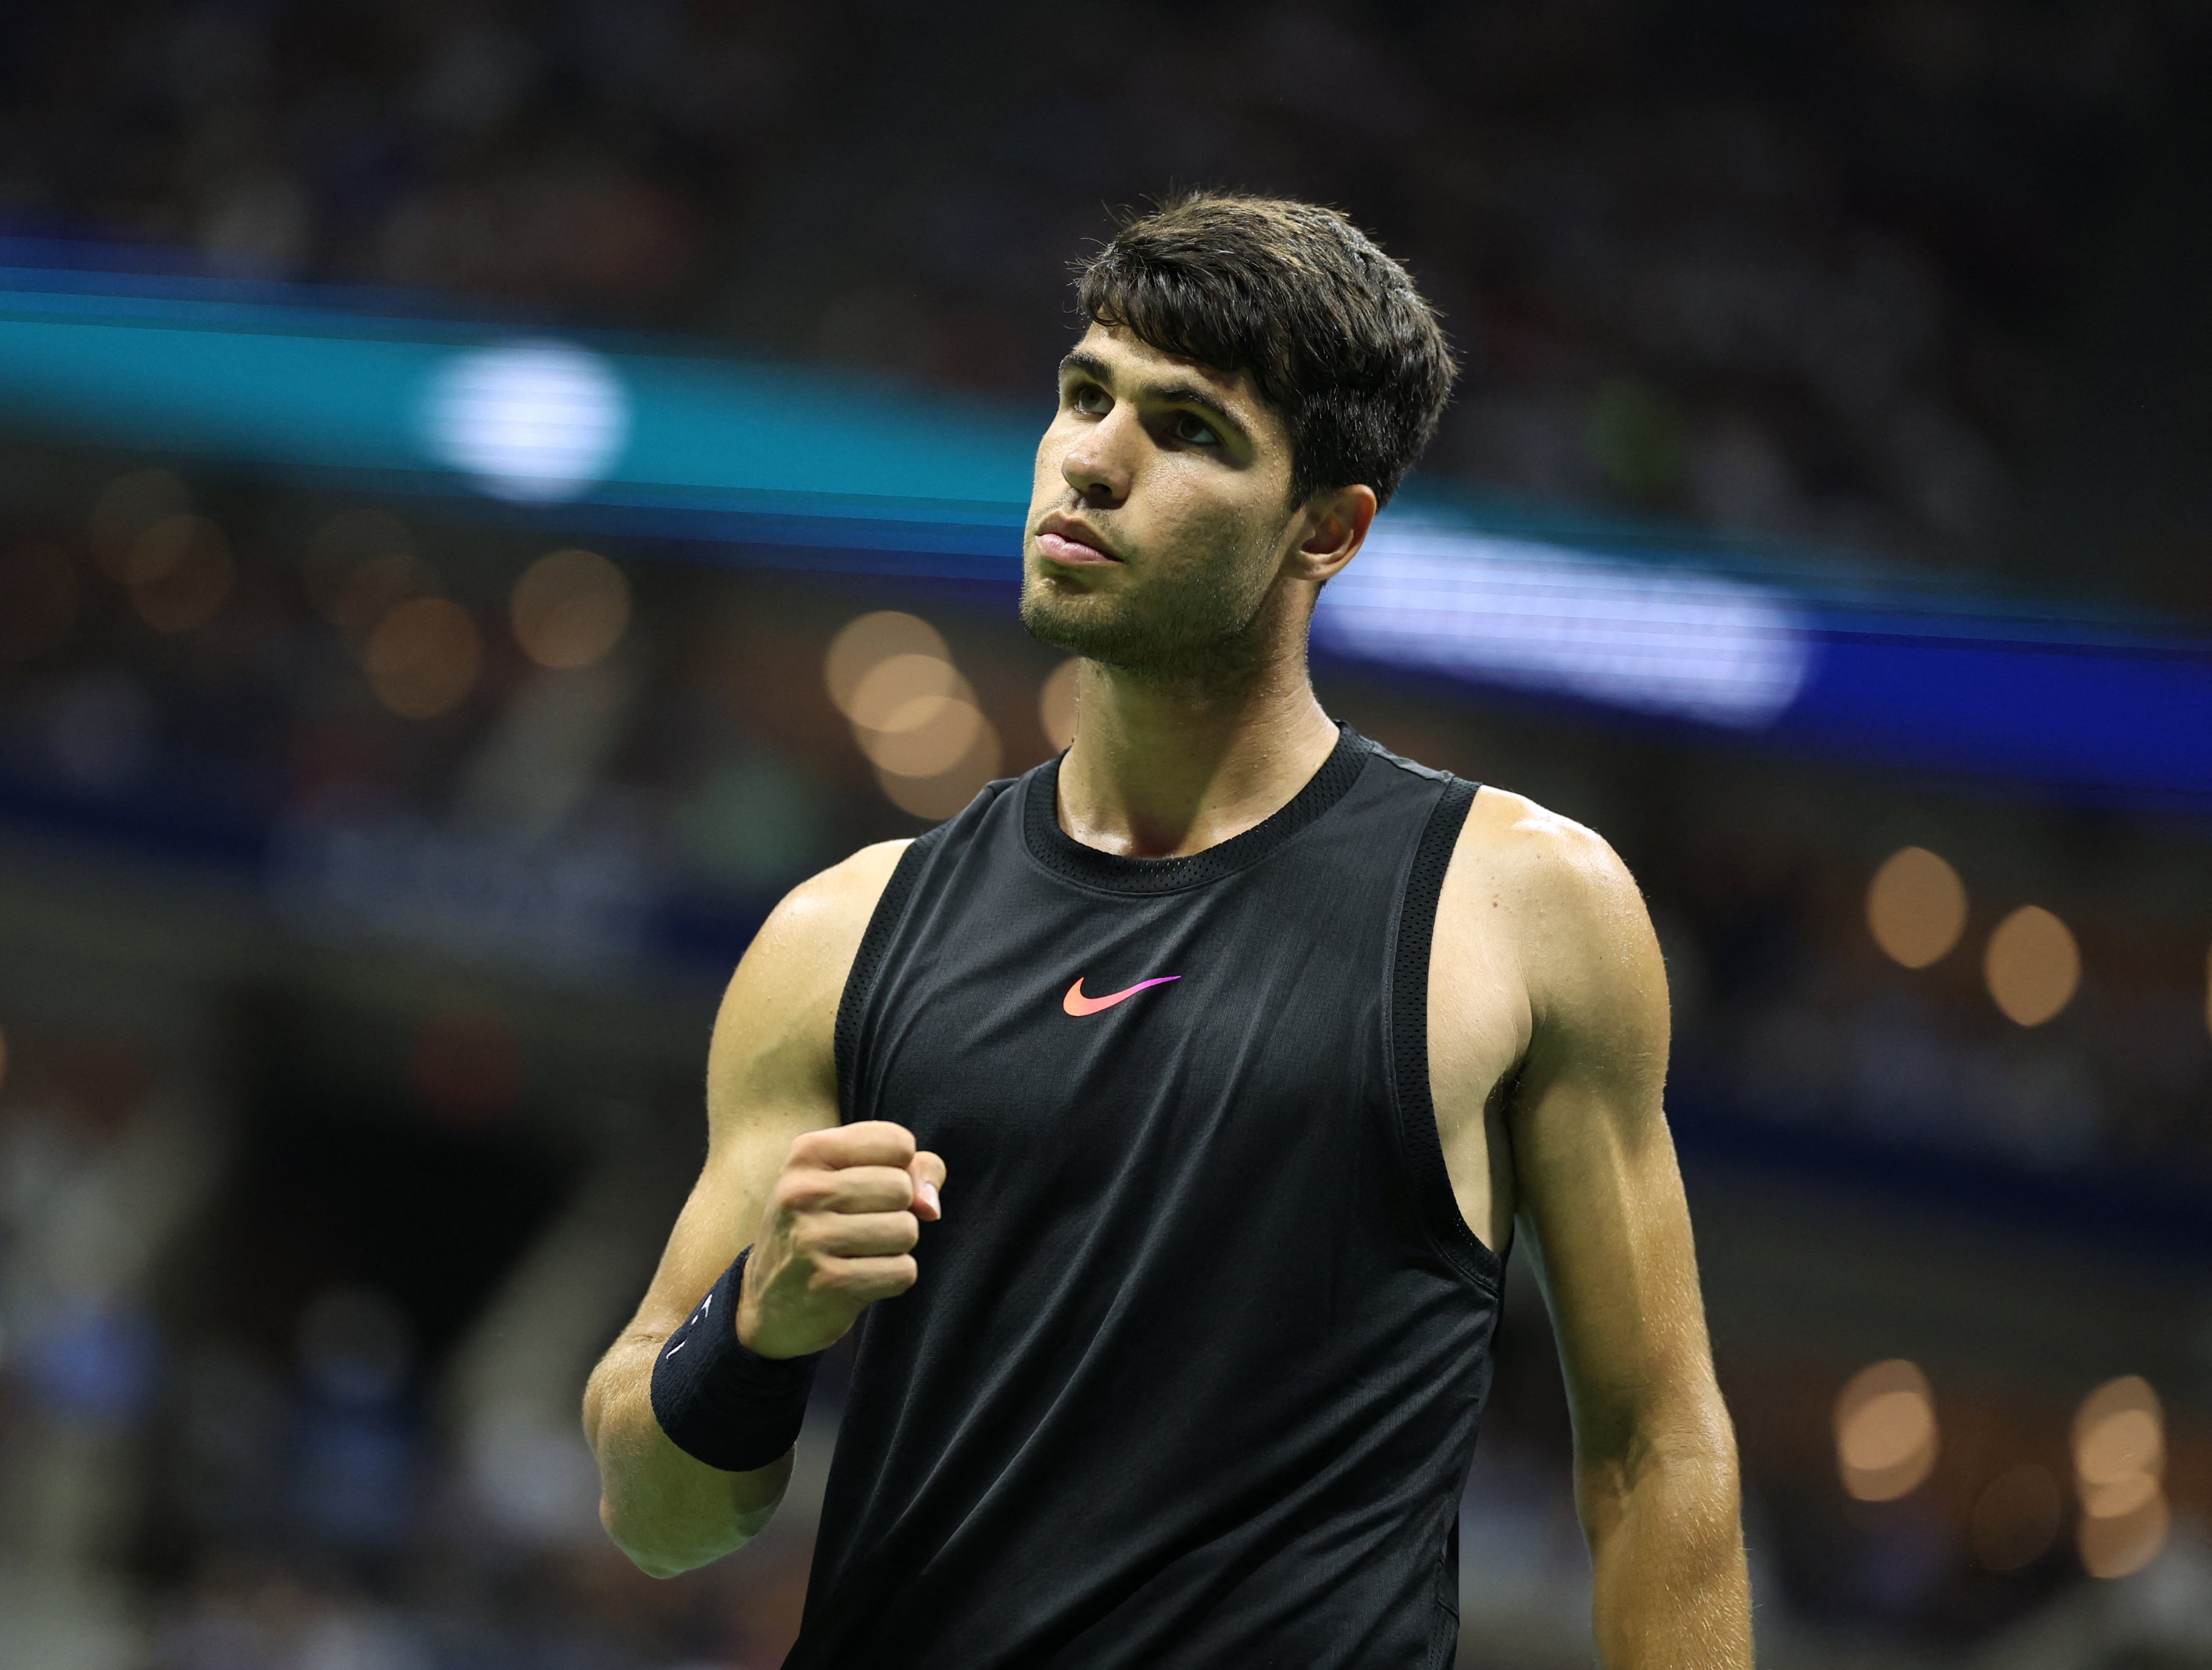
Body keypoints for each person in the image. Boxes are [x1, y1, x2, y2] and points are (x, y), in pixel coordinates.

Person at [584, 193, 1750, 1669]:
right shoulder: (840, 930)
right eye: (1083, 395)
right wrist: (749, 1331)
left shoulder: (1521, 907)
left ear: (1326, 529)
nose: (1093, 458)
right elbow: (658, 1513)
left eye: (1186, 429)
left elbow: (1655, 1454)